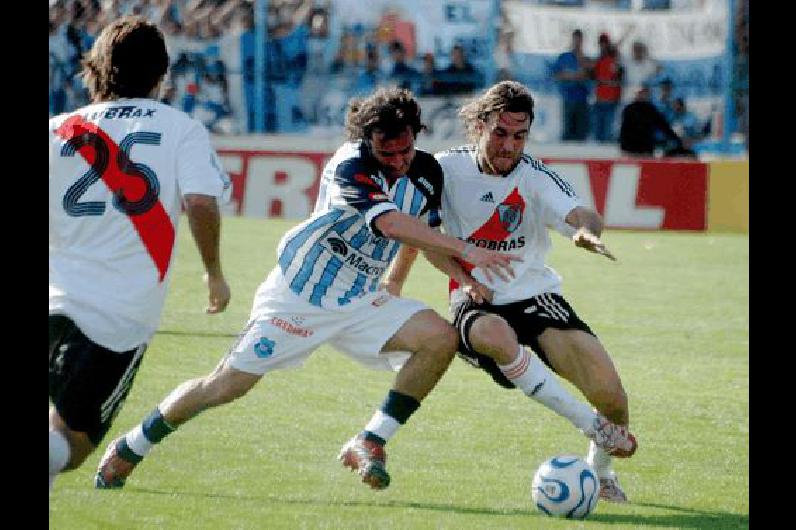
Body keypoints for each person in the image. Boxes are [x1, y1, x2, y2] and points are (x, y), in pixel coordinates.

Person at [94, 87, 518, 492]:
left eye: (404, 150)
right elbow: (390, 224)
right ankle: (133, 444)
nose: (397, 161)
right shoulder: (349, 164)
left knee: (439, 339)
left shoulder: (427, 172)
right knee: (225, 386)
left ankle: (371, 439)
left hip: (359, 299)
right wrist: (467, 251)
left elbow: (421, 234)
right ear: (367, 141)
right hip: (299, 295)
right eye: (386, 153)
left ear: (415, 137)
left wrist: (454, 278)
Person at [384, 81, 638, 503]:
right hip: (474, 296)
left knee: (611, 395)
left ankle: (601, 473)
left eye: (519, 136)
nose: (508, 145)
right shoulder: (444, 169)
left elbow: (582, 213)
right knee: (493, 334)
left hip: (536, 298)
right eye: (500, 133)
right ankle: (583, 422)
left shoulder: (535, 177)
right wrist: (411, 280)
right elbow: (422, 235)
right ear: (479, 126)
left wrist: (585, 234)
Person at [49, 16, 232, 493]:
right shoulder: (181, 129)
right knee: (72, 444)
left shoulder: (58, 130)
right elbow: (200, 201)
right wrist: (214, 272)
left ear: (95, 68)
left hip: (52, 299)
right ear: (161, 73)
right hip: (115, 318)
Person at [619, 85, 685, 156]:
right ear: (636, 94)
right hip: (630, 148)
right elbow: (624, 130)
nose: (643, 95)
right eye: (641, 93)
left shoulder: (650, 109)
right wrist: (623, 145)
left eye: (645, 93)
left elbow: (663, 126)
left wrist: (677, 139)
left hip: (645, 148)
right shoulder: (629, 109)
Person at [552, 29, 592, 141]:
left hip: (582, 99)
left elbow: (589, 76)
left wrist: (581, 68)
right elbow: (556, 74)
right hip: (568, 97)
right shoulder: (564, 57)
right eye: (576, 39)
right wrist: (572, 76)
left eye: (580, 40)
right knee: (568, 129)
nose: (577, 42)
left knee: (581, 131)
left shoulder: (585, 58)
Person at [591, 33, 624, 142]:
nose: (603, 46)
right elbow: (593, 77)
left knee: (608, 131)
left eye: (604, 43)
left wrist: (606, 82)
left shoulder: (616, 60)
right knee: (597, 132)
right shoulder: (599, 60)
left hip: (611, 101)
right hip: (599, 100)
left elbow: (618, 80)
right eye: (601, 44)